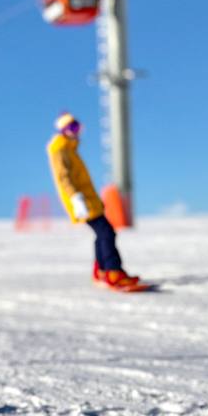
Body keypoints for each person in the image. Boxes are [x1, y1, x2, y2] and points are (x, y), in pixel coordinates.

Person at [46, 112, 141, 291]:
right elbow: (63, 177)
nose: (77, 132)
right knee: (106, 232)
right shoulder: (59, 149)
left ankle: (102, 271)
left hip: (88, 199)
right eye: (73, 127)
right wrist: (75, 198)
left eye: (78, 127)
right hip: (80, 201)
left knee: (103, 233)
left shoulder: (70, 149)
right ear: (64, 130)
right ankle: (113, 272)